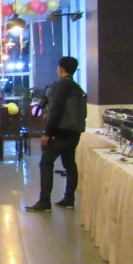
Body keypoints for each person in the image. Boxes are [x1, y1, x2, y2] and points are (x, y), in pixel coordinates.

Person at [27, 56, 86, 212]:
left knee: (46, 163)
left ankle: (44, 202)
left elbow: (56, 111)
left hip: (60, 133)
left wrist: (48, 133)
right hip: (74, 134)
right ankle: (69, 199)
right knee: (70, 164)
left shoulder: (61, 86)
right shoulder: (77, 87)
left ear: (61, 69)